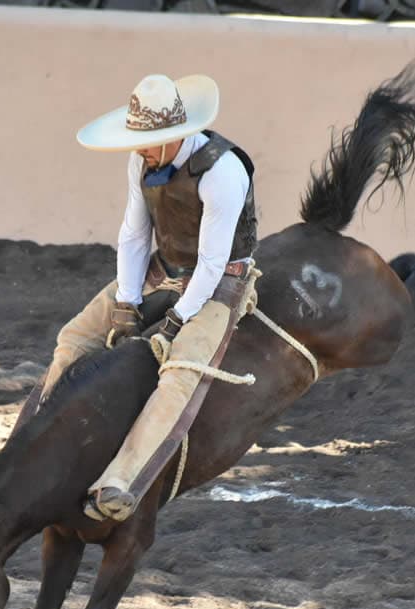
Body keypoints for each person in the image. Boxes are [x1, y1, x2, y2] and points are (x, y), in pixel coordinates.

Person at [35, 73, 259, 523]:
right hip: (166, 267)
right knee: (75, 336)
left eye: (148, 140)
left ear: (175, 136)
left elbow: (213, 263)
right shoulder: (143, 163)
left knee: (179, 374)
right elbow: (134, 235)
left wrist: (177, 320)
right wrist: (126, 301)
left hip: (220, 283)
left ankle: (120, 481)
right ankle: (31, 443)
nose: (138, 148)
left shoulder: (223, 172)